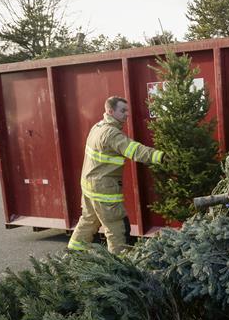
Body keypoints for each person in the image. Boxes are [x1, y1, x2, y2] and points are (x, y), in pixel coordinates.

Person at [67, 96, 163, 254]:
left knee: (89, 220)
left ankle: (74, 254)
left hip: (89, 185)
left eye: (127, 110)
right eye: (123, 111)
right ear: (110, 111)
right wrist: (161, 157)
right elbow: (134, 150)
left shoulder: (97, 127)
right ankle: (119, 266)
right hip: (103, 189)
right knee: (117, 227)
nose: (127, 114)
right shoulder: (112, 134)